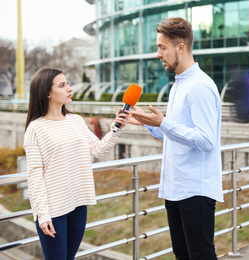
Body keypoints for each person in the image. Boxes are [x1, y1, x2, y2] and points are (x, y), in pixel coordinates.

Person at [128, 17, 223, 259]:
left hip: (196, 189)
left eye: (162, 47)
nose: (158, 54)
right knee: (182, 255)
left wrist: (164, 122)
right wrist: (148, 124)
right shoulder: (178, 85)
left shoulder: (200, 86)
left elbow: (206, 140)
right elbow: (176, 133)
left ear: (180, 47)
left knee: (200, 254)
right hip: (175, 187)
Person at [23, 67, 129, 260]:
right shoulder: (35, 128)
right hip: (53, 211)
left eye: (68, 83)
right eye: (62, 85)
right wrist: (42, 214)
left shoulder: (76, 121)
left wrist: (116, 128)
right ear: (47, 92)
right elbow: (35, 175)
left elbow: (98, 150)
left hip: (79, 204)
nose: (69, 88)